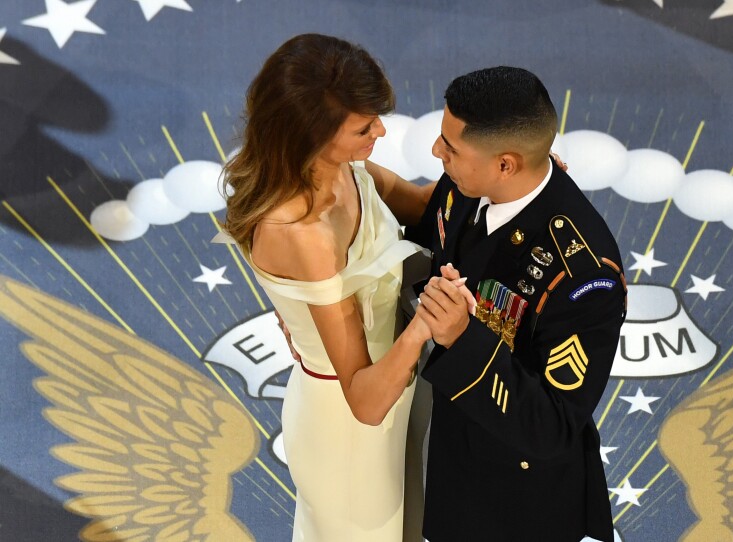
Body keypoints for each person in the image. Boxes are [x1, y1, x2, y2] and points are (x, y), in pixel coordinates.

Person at [221, 34, 440, 541]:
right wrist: (426, 323)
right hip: (350, 434)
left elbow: (429, 207)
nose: (381, 130)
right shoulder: (303, 235)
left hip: (395, 394)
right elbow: (362, 399)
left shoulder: (346, 168)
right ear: (309, 134)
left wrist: (521, 186)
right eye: (364, 126)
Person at [406, 66, 626, 542]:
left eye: (450, 147)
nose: (435, 152)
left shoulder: (582, 277)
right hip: (453, 459)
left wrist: (462, 337)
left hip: (517, 503)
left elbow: (552, 425)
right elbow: (429, 238)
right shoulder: (471, 185)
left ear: (506, 164)